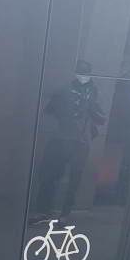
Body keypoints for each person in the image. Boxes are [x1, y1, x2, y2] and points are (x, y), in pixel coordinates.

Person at [31, 60, 106, 223]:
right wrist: (64, 115)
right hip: (61, 139)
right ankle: (44, 211)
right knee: (48, 176)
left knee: (74, 181)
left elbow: (102, 119)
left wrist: (92, 109)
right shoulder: (65, 89)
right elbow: (50, 110)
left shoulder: (95, 93)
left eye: (86, 72)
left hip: (81, 142)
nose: (83, 75)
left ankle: (64, 215)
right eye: (80, 71)